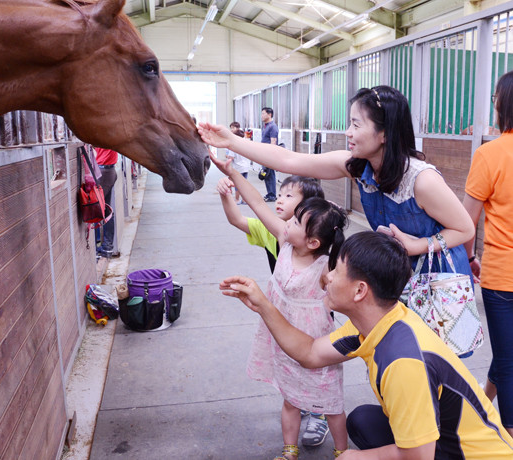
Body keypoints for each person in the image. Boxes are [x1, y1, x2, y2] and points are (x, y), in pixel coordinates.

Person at [221, 231, 513, 459]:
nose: (327, 277)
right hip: (443, 441)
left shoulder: (403, 360)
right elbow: (309, 353)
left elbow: (419, 456)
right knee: (362, 421)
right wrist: (264, 305)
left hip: (470, 455)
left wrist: (357, 457)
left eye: (336, 270)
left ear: (360, 290)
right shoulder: (378, 321)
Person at [198, 85, 475, 286]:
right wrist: (232, 141)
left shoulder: (421, 180)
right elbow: (288, 160)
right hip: (397, 277)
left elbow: (465, 229)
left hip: (439, 283)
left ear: (384, 133)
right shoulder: (358, 167)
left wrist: (419, 245)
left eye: (356, 124)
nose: (347, 132)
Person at [212, 154, 349, 459]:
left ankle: (343, 452)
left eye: (297, 221)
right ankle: (290, 450)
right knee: (290, 398)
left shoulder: (326, 267)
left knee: (331, 404)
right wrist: (232, 173)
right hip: (281, 336)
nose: (289, 222)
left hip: (315, 342)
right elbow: (257, 204)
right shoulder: (283, 240)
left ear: (313, 242)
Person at [462, 69, 513, 437]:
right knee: (508, 354)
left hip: (501, 276)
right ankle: (481, 405)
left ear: (501, 105)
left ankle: (508, 437)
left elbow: (467, 223)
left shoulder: (489, 154)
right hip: (501, 277)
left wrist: (469, 258)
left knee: (509, 361)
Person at [94, 147, 118, 258]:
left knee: (96, 209)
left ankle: (100, 246)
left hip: (103, 171)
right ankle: (107, 247)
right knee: (106, 209)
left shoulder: (102, 139)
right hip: (109, 170)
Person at [226, 123, 250, 204]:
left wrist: (227, 156)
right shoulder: (246, 144)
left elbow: (231, 157)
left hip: (238, 168)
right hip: (246, 167)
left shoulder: (233, 146)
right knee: (244, 184)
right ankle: (244, 200)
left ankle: (236, 199)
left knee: (237, 184)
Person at [261, 107, 279, 202]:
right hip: (264, 154)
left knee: (270, 174)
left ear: (269, 114)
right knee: (266, 174)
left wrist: (271, 157)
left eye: (263, 114)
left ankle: (272, 195)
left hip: (269, 155)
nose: (261, 116)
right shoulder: (266, 126)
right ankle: (269, 193)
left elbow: (273, 142)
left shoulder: (273, 127)